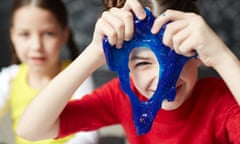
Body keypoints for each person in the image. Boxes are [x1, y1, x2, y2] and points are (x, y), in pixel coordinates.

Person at [17, 0, 240, 143]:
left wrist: (222, 57)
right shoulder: (122, 97)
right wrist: (96, 51)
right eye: (143, 63)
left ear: (197, 54)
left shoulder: (221, 102)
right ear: (127, 68)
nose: (162, 78)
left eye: (175, 56)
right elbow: (31, 129)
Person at [0, 0, 98, 143]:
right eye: (24, 34)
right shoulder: (9, 78)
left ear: (64, 35)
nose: (36, 46)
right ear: (12, 36)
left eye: (48, 33)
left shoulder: (79, 78)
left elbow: (88, 135)